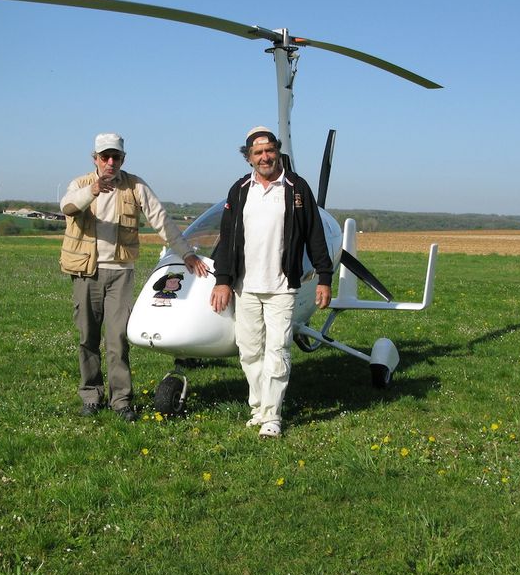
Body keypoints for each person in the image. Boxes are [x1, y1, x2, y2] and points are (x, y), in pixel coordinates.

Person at [60, 132, 208, 421]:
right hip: (85, 271)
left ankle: (121, 402)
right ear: (95, 159)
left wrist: (187, 253)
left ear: (123, 159)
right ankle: (91, 396)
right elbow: (67, 207)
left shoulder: (135, 186)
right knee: (88, 337)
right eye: (105, 157)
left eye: (116, 157)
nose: (111, 162)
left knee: (118, 339)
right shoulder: (79, 184)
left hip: (120, 273)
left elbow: (161, 220)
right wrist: (92, 190)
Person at [209, 126, 333, 438]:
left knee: (278, 349)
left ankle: (273, 416)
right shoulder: (239, 190)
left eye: (270, 150)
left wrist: (324, 277)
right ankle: (259, 408)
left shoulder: (296, 188)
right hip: (245, 286)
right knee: (249, 351)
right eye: (258, 153)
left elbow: (315, 235)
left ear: (277, 151)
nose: (265, 157)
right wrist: (223, 281)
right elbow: (226, 240)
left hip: (282, 286)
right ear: (248, 158)